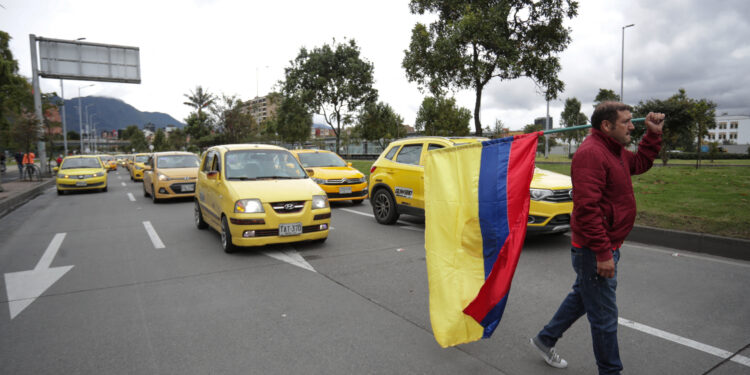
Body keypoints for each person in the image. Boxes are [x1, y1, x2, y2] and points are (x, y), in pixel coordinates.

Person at [529, 102, 665, 375]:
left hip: (604, 246)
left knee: (582, 296)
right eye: (626, 121)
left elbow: (639, 163)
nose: (632, 126)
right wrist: (603, 253)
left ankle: (544, 340)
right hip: (594, 250)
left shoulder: (614, 151)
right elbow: (586, 209)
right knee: (604, 318)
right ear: (607, 125)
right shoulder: (591, 154)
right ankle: (610, 371)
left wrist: (653, 135)